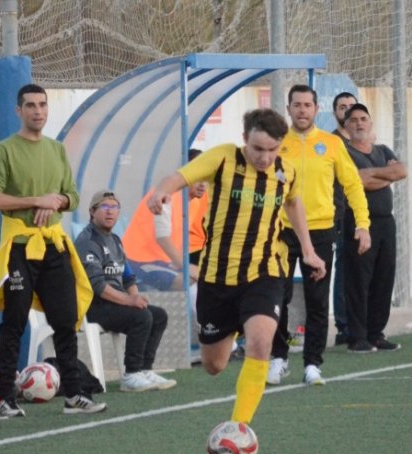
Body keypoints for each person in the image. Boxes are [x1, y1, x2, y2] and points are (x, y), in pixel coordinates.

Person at [147, 108, 325, 426]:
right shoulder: (224, 158)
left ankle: (238, 427)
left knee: (260, 342)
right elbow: (179, 177)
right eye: (258, 149)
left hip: (264, 272)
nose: (265, 157)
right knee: (214, 365)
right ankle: (235, 328)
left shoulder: (286, 171)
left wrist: (309, 251)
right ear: (245, 140)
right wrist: (162, 192)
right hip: (216, 278)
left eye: (272, 150)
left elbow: (294, 202)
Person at [0, 83, 107, 418]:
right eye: (31, 106)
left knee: (66, 320)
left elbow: (72, 196)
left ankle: (75, 395)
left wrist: (58, 202)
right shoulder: (4, 151)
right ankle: (5, 397)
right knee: (15, 321)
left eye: (43, 105)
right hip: (20, 248)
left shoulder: (57, 150)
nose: (38, 111)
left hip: (53, 246)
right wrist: (36, 200)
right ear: (18, 111)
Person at [267, 85, 371, 387]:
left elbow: (352, 185)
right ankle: (279, 358)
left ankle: (312, 363)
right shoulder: (275, 144)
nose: (302, 110)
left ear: (316, 109)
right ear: (288, 109)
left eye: (307, 105)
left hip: (322, 232)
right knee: (277, 297)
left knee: (316, 301)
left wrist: (362, 224)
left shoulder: (331, 144)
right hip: (281, 233)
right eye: (296, 104)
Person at [74, 189, 176, 392]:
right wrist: (130, 302)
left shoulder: (116, 241)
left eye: (114, 207)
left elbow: (128, 278)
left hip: (114, 302)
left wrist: (135, 296)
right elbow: (98, 286)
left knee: (159, 315)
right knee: (142, 317)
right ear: (92, 212)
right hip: (93, 306)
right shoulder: (87, 241)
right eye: (104, 207)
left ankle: (145, 370)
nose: (110, 212)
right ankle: (131, 375)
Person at [342, 103, 408, 352]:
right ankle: (357, 336)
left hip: (385, 222)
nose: (359, 123)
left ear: (370, 123)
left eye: (363, 119)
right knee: (359, 279)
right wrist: (386, 175)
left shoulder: (382, 149)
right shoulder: (344, 152)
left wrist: (374, 174)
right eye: (354, 120)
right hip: (359, 223)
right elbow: (356, 180)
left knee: (384, 278)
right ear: (346, 126)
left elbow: (401, 171)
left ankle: (376, 333)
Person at [122, 148, 208, 291]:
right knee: (185, 279)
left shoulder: (195, 203)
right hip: (137, 259)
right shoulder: (167, 196)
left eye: (206, 177)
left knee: (203, 275)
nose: (202, 184)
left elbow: (180, 238)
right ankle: (178, 312)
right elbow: (162, 238)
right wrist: (185, 266)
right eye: (198, 176)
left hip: (163, 260)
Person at [331, 91, 359, 346]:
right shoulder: (331, 143)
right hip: (338, 215)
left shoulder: (366, 142)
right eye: (342, 107)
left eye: (352, 106)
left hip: (361, 215)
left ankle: (360, 321)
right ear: (335, 113)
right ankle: (343, 325)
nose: (348, 111)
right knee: (342, 268)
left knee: (357, 269)